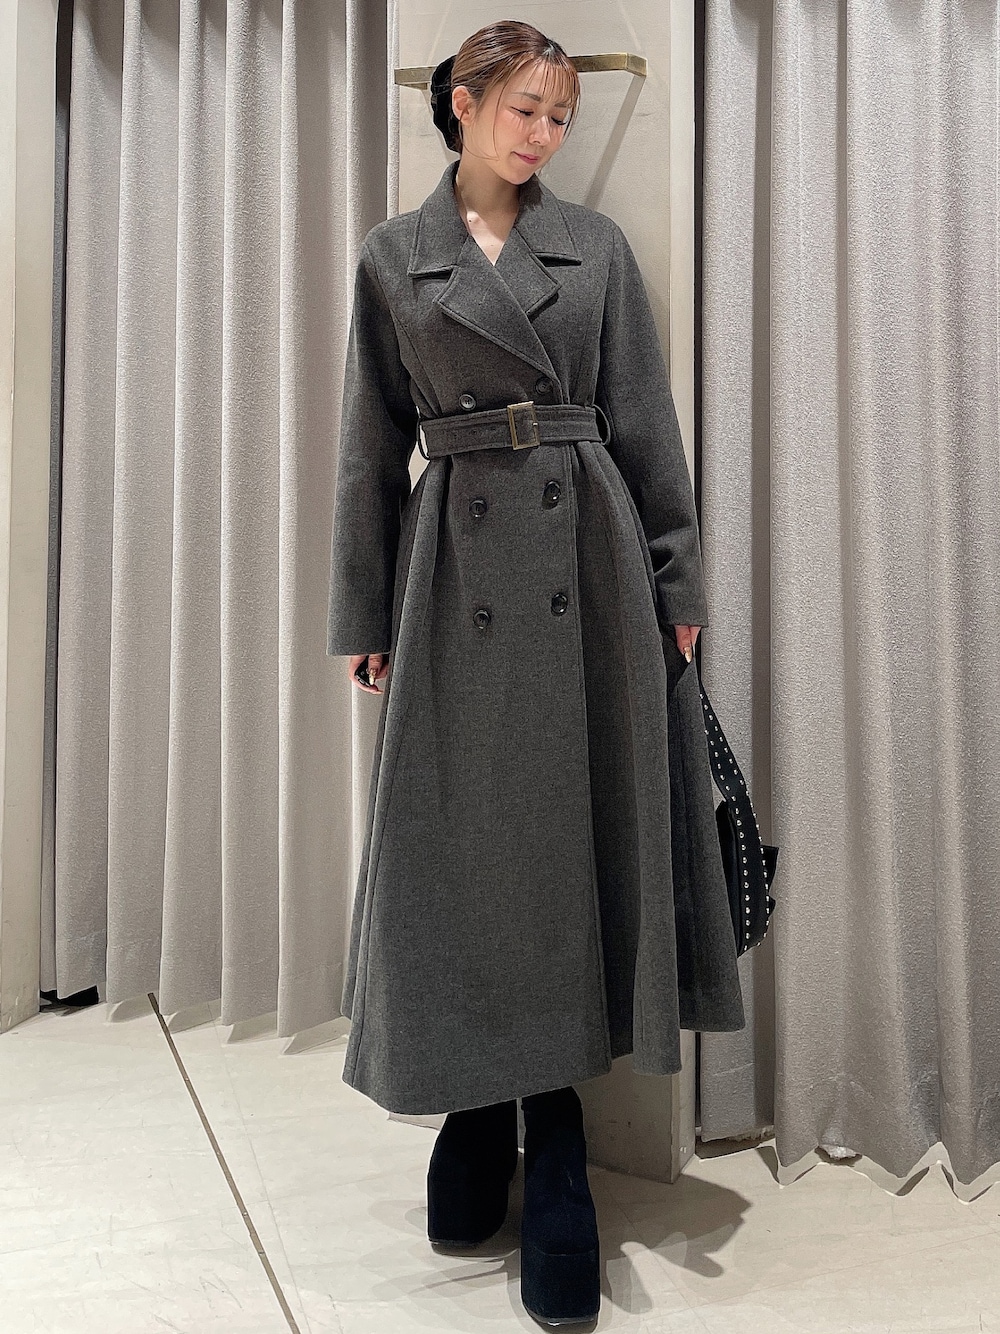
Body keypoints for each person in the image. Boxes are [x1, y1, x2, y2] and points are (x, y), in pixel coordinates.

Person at [326, 19, 745, 1327]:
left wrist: (675, 585)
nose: (545, 134)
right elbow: (367, 442)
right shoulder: (395, 257)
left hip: (588, 569)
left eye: (561, 115)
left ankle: (552, 1129)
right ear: (462, 104)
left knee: (570, 840)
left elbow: (647, 425)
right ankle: (475, 1101)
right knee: (461, 846)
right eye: (524, 109)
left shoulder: (595, 250)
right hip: (453, 565)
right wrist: (362, 610)